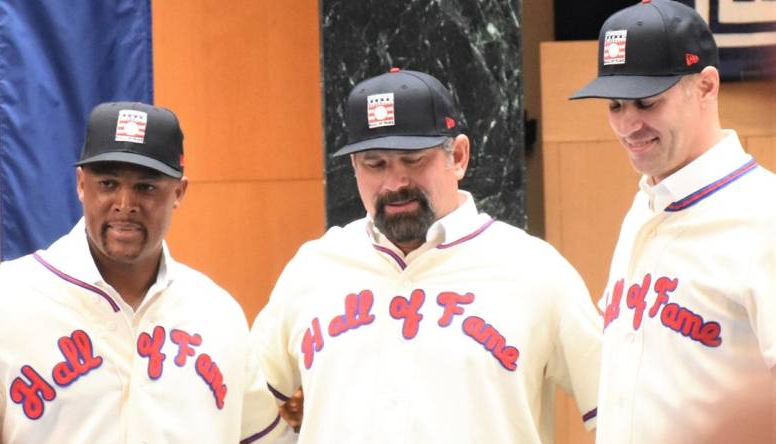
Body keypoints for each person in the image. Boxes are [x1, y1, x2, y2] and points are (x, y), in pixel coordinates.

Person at [250, 68, 602, 443]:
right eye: (375, 163)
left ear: (460, 156)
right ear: (354, 168)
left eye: (414, 159)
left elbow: (619, 406)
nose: (395, 182)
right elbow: (245, 401)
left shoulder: (535, 270)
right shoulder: (314, 269)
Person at [0, 102, 284, 443]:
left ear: (179, 192)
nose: (125, 203)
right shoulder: (7, 300)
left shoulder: (217, 314)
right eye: (109, 183)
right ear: (82, 184)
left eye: (146, 186)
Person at [569, 1, 776, 443]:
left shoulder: (765, 216)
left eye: (647, 101)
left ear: (705, 86)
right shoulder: (645, 205)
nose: (628, 125)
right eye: (615, 105)